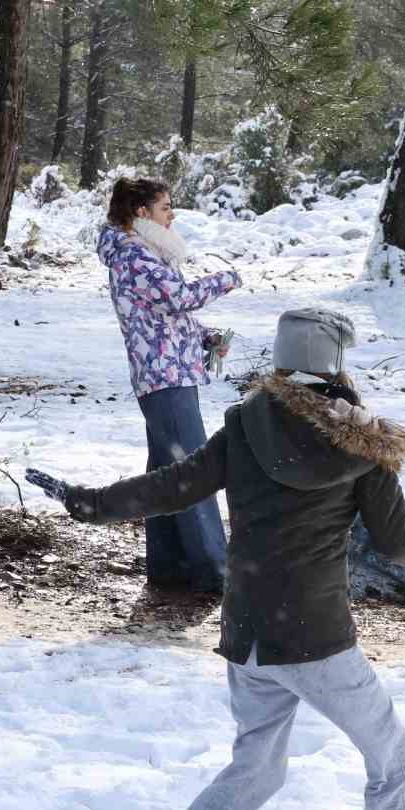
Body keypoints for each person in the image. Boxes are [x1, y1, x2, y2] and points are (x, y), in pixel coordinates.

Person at [27, 307, 405, 810]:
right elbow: (402, 544)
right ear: (335, 364)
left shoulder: (244, 424)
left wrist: (92, 503)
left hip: (248, 634)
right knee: (395, 765)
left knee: (258, 769)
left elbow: (173, 487)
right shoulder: (363, 448)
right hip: (315, 639)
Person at [98, 177, 241, 593]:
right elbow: (178, 297)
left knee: (166, 471)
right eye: (165, 207)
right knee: (191, 471)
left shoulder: (144, 253)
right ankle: (215, 570)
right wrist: (226, 279)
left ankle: (170, 567)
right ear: (141, 212)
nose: (171, 214)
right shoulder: (132, 256)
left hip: (171, 371)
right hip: (163, 375)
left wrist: (204, 337)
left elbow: (166, 313)